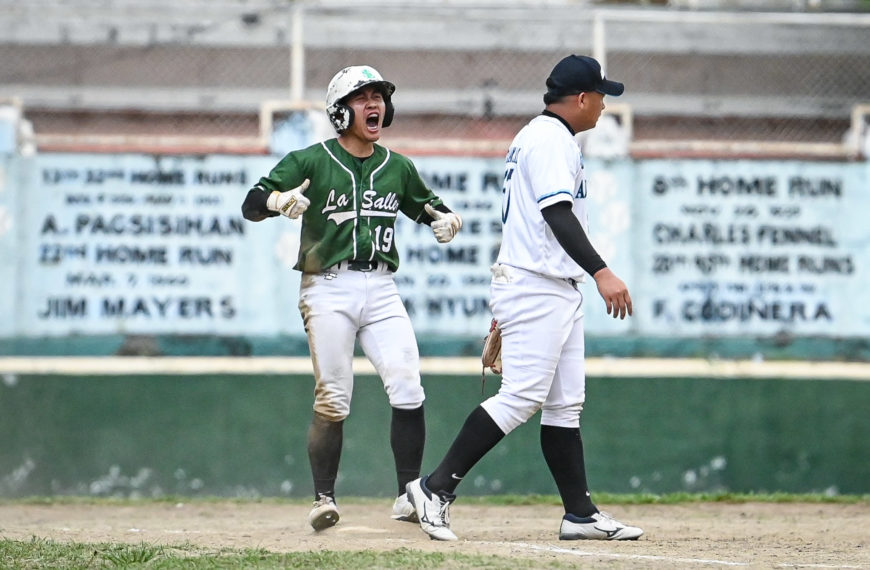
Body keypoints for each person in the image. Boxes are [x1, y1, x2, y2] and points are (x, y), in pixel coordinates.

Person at [405, 55, 642, 542]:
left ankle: (579, 514)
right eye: (600, 96)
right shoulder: (551, 139)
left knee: (565, 406)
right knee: (521, 397)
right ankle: (434, 489)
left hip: (552, 285)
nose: (603, 105)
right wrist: (601, 272)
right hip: (536, 284)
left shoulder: (543, 136)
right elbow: (557, 213)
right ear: (581, 98)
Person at [241, 65, 463, 531]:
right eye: (362, 97)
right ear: (340, 112)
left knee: (408, 384)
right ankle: (324, 497)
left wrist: (446, 219)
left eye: (379, 95)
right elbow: (252, 202)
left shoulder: (397, 166)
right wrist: (279, 201)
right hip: (327, 286)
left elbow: (427, 207)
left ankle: (410, 494)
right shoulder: (310, 160)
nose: (374, 103)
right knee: (334, 398)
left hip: (381, 286)